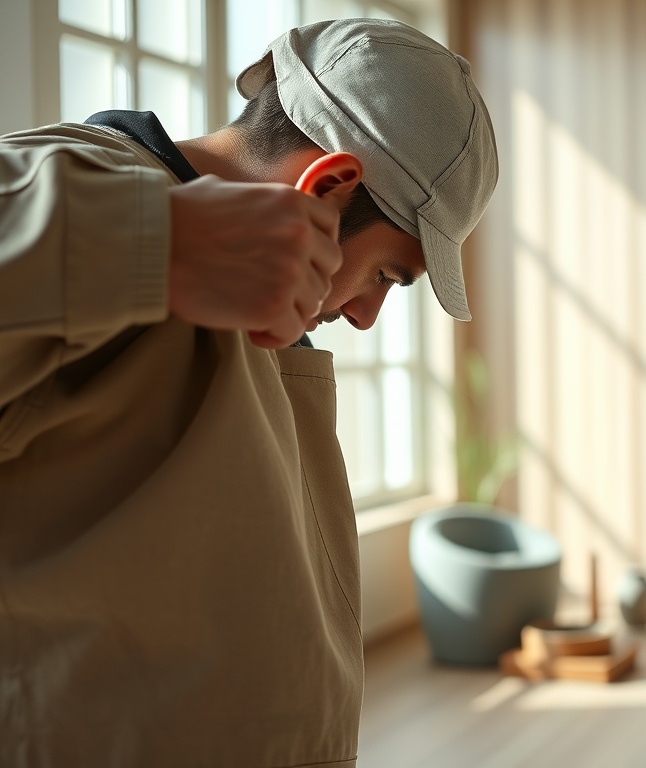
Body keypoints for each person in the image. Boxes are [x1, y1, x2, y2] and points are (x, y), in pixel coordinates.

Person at [0, 18, 497, 768]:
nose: (365, 314)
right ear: (328, 185)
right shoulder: (75, 179)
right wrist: (152, 240)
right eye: (390, 277)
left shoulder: (265, 309)